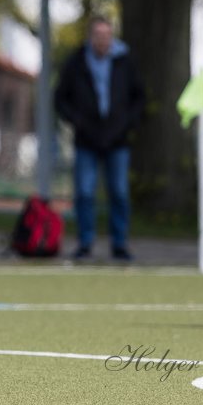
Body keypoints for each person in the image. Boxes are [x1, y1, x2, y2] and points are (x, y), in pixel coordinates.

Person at [53, 16, 145, 261]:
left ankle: (120, 244)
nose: (102, 40)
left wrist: (127, 123)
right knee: (84, 193)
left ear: (111, 37)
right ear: (90, 37)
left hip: (118, 140)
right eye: (98, 35)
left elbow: (139, 97)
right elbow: (60, 99)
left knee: (119, 193)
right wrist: (78, 121)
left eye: (106, 36)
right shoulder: (77, 62)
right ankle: (85, 243)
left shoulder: (125, 62)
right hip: (87, 139)